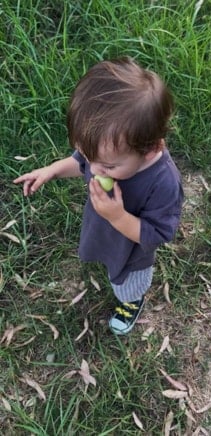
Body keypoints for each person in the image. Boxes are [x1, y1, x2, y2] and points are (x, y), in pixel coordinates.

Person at [13, 57, 184, 336]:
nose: (93, 170)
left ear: (150, 149)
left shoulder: (163, 183)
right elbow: (80, 162)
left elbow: (158, 233)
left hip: (133, 254)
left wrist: (117, 216)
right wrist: (52, 171)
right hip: (105, 229)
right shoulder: (105, 154)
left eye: (106, 167)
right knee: (106, 255)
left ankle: (132, 302)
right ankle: (108, 259)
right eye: (88, 156)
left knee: (127, 284)